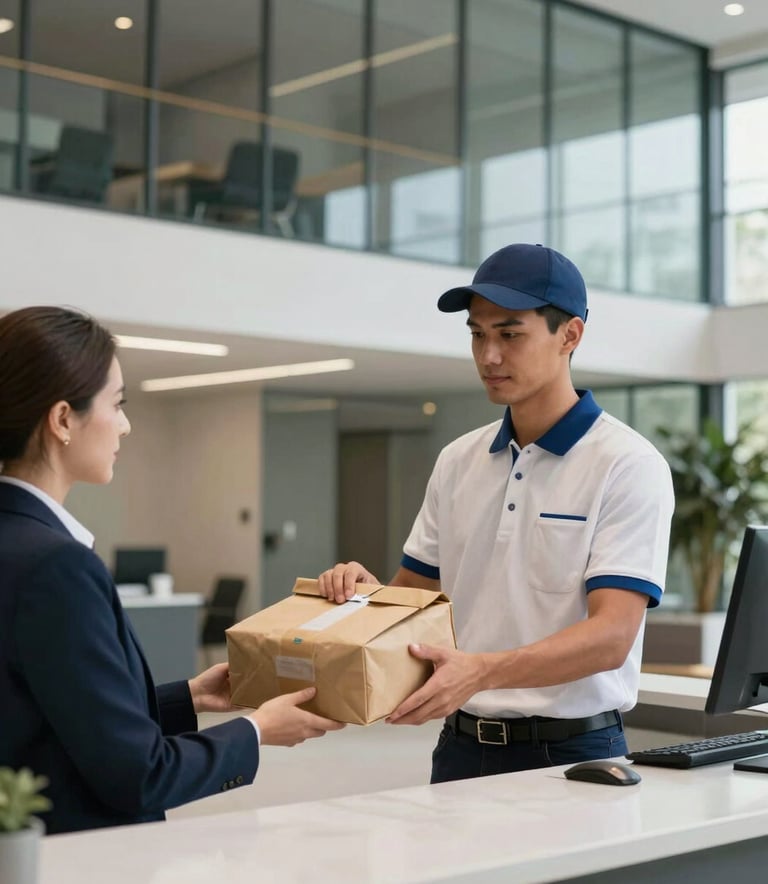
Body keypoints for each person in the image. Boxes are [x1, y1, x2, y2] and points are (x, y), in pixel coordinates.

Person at [319, 243, 674, 783]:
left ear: (569, 335)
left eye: (510, 334)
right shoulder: (458, 460)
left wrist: (480, 671)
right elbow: (414, 602)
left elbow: (611, 637)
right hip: (459, 747)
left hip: (576, 754)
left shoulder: (627, 464)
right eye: (477, 334)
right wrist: (366, 598)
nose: (489, 356)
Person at [0, 306, 344, 835]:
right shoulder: (57, 567)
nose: (126, 424)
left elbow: (48, 719)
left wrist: (190, 698)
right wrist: (255, 730)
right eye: (117, 404)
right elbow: (138, 777)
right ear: (63, 419)